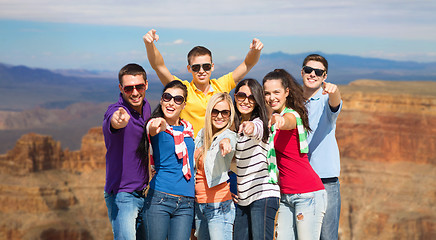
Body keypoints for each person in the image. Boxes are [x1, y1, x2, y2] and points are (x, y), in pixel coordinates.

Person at [143, 29, 263, 136]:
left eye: (206, 66)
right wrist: (149, 45)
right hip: (190, 151)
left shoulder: (221, 85)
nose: (201, 71)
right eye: (196, 67)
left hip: (217, 152)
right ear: (189, 68)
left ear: (212, 67)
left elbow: (247, 64)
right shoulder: (183, 89)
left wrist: (255, 51)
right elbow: (159, 66)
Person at [263, 69, 327, 240]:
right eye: (267, 93)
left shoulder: (291, 115)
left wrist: (280, 121)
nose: (271, 97)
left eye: (276, 92)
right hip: (286, 196)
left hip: (307, 194)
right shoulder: (275, 116)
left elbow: (288, 121)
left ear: (287, 92)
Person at [137, 80, 195, 240]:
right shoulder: (156, 125)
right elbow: (153, 127)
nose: (171, 102)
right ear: (161, 100)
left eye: (177, 99)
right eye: (167, 97)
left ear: (184, 104)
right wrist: (159, 124)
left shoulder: (188, 129)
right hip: (160, 198)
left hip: (187, 202)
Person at [102, 63, 151, 240]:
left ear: (146, 84)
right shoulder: (116, 111)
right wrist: (118, 120)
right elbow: (114, 121)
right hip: (123, 196)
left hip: (145, 194)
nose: (135, 92)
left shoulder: (146, 107)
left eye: (139, 86)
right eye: (129, 88)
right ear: (121, 89)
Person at [232, 78, 281, 240]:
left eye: (251, 97)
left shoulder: (258, 123)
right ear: (235, 97)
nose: (246, 100)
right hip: (244, 199)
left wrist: (250, 127)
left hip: (263, 195)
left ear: (257, 101)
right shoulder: (235, 127)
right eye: (241, 95)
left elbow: (257, 129)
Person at [301, 54, 342, 240]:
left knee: (327, 236)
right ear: (302, 72)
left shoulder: (326, 100)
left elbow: (335, 104)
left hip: (326, 182)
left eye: (318, 72)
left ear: (324, 76)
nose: (312, 74)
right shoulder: (294, 103)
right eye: (309, 70)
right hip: (300, 182)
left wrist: (334, 91)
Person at [194, 93, 237, 240]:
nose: (219, 116)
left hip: (219, 206)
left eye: (225, 112)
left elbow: (229, 140)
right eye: (215, 111)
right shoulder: (201, 135)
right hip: (199, 205)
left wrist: (225, 143)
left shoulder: (229, 135)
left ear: (230, 114)